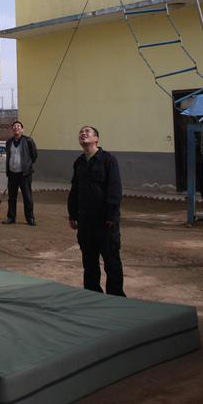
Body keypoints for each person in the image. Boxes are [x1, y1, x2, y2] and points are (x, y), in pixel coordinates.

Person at [68, 126, 126, 297]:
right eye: (81, 132)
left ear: (96, 139)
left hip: (105, 221)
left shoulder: (108, 160)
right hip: (85, 221)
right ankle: (92, 294)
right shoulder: (79, 162)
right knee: (89, 261)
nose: (83, 133)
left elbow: (115, 188)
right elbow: (75, 190)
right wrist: (72, 214)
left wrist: (112, 215)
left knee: (111, 261)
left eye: (87, 131)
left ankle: (116, 296)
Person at [3, 120, 37, 226]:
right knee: (11, 197)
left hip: (24, 174)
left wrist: (27, 165)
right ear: (12, 129)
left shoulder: (28, 140)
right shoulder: (9, 142)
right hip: (12, 174)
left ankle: (30, 218)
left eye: (18, 126)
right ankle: (11, 217)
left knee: (27, 197)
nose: (16, 127)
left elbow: (34, 155)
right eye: (14, 126)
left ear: (22, 129)